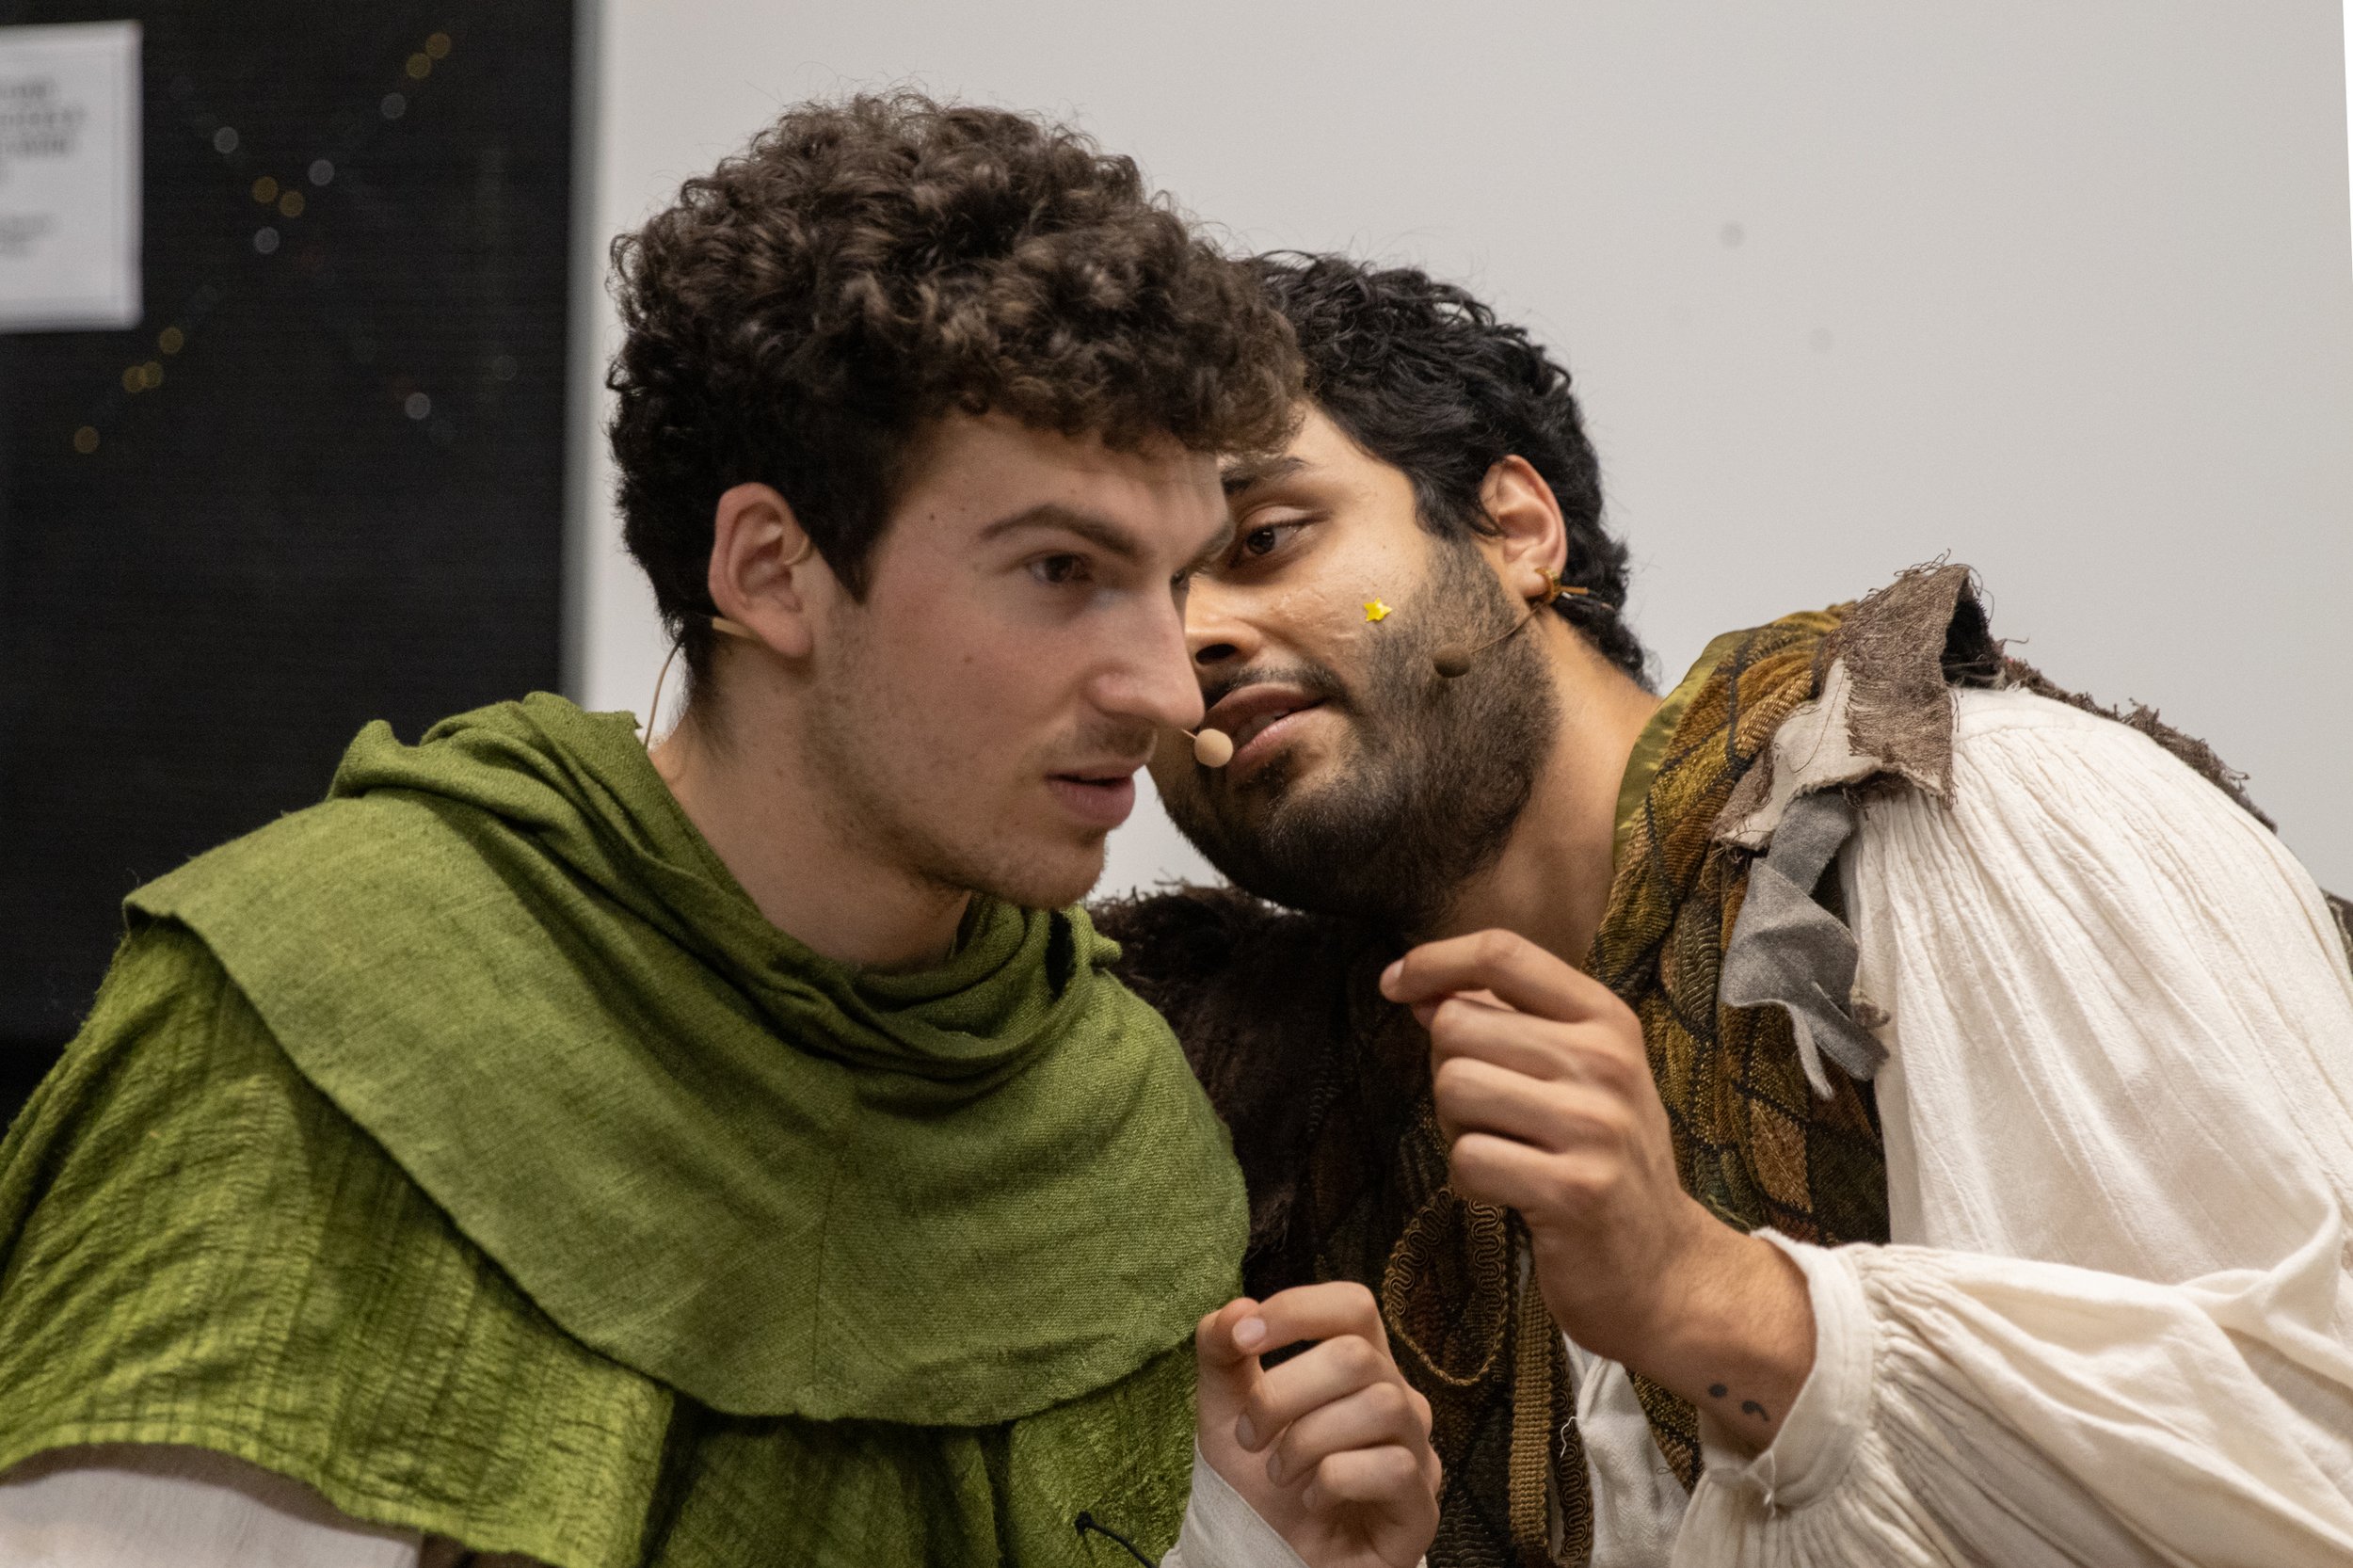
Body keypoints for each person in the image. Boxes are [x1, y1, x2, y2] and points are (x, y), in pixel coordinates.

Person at [0, 104, 1444, 1568]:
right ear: (772, 570)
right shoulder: (335, 1020)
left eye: (1175, 576)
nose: (1158, 680)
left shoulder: (1112, 1110)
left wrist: (1271, 1550)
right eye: (1062, 569)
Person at [1101, 252, 2353, 1566]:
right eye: (1132, 595)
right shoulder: (1287, 1137)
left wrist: (1707, 1296)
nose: (1195, 638)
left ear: (1519, 529)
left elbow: (2313, 1459)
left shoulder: (1967, 811)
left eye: (1262, 541)